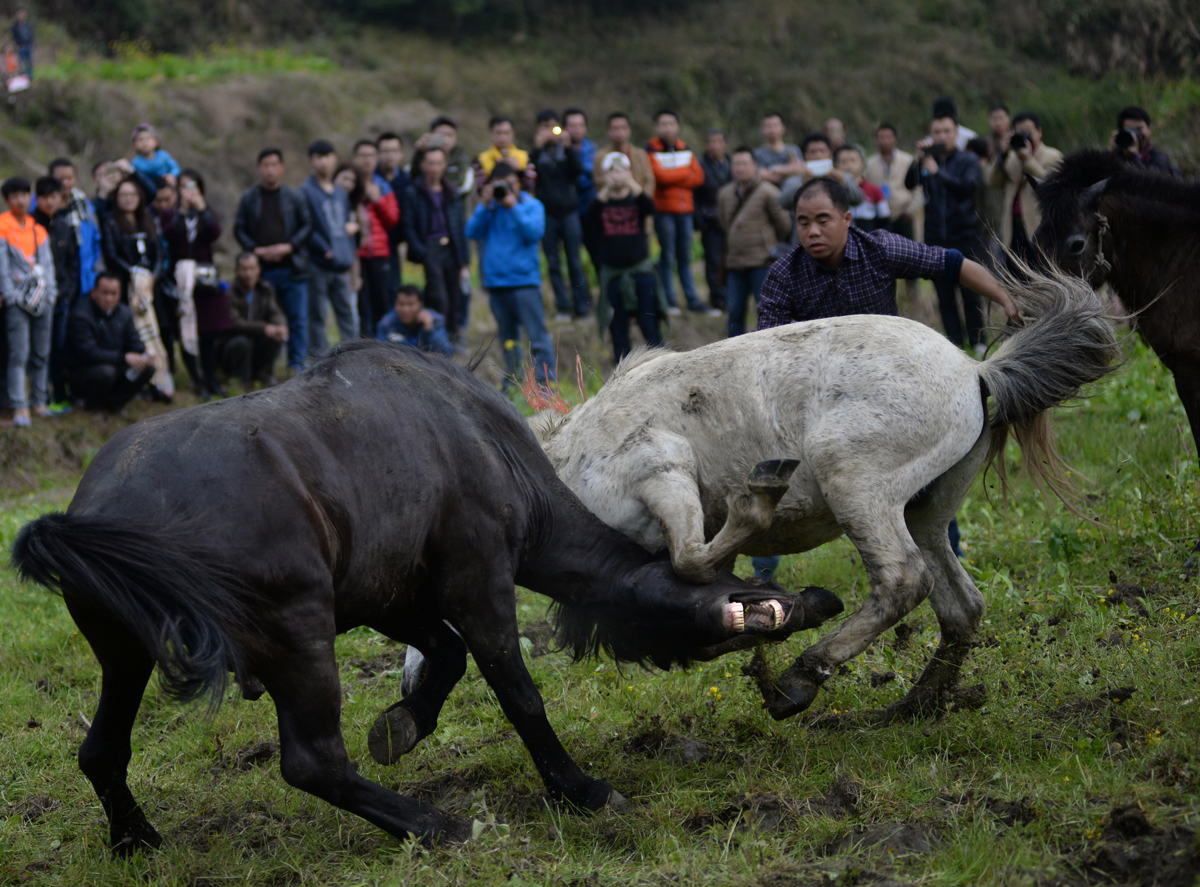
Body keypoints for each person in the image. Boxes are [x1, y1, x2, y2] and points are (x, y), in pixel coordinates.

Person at [755, 177, 1020, 571]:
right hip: (814, 396)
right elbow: (765, 353)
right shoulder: (783, 274)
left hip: (885, 387)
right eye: (803, 222)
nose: (812, 231)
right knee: (769, 470)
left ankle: (951, 552)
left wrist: (1005, 299)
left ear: (847, 218)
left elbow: (951, 263)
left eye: (823, 220)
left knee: (925, 468)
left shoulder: (879, 247)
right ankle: (763, 573)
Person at [465, 162, 556, 389]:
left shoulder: (531, 205)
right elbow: (471, 232)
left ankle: (546, 385)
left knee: (537, 337)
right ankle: (514, 382)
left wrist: (513, 206)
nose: (506, 189)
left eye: (511, 184)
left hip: (525, 281)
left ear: (519, 183)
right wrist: (484, 205)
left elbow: (534, 233)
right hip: (497, 283)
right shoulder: (490, 209)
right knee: (507, 339)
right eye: (500, 184)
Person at [905, 113, 988, 353]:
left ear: (956, 134)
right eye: (937, 132)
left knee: (971, 292)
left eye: (946, 131)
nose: (942, 136)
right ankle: (955, 343)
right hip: (935, 238)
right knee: (944, 295)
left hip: (964, 235)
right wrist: (918, 159)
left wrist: (937, 172)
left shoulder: (968, 160)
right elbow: (910, 183)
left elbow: (968, 188)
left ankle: (978, 341)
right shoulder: (927, 160)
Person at [234, 148, 312, 374]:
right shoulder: (249, 198)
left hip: (293, 268)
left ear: (282, 168)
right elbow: (239, 228)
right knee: (265, 320)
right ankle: (265, 367)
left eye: (274, 165)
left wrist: (290, 246)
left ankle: (297, 365)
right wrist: (255, 250)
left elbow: (307, 226)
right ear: (259, 168)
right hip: (262, 272)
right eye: (265, 165)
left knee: (297, 319)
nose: (270, 169)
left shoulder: (295, 197)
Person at [584, 153, 662, 363]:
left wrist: (630, 182)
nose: (616, 175)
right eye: (611, 171)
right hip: (613, 273)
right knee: (617, 327)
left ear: (629, 172)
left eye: (621, 170)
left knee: (649, 323)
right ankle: (623, 370)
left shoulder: (637, 199)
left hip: (641, 271)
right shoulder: (600, 203)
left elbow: (650, 208)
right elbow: (588, 222)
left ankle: (661, 364)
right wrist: (607, 188)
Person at [164, 168, 227, 398]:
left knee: (208, 332)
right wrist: (181, 211)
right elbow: (171, 236)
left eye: (193, 186)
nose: (188, 191)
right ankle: (196, 379)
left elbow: (214, 233)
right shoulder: (170, 213)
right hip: (179, 278)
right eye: (184, 186)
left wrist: (201, 208)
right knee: (185, 328)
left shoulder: (206, 212)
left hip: (204, 277)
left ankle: (211, 378)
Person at [717, 147, 791, 338]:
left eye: (744, 164)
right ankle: (732, 349)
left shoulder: (769, 192)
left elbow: (783, 224)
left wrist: (769, 244)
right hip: (734, 264)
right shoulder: (725, 194)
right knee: (734, 312)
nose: (740, 168)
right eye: (736, 164)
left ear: (754, 166)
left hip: (762, 262)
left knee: (766, 310)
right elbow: (724, 223)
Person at [1, 176, 57, 426]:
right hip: (17, 302)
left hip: (42, 298)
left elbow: (48, 264)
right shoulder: (2, 226)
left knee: (41, 353)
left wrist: (51, 295)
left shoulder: (38, 229)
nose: (20, 200)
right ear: (7, 200)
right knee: (18, 354)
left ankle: (39, 401)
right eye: (14, 196)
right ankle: (19, 406)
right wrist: (10, 296)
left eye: (24, 194)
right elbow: (2, 266)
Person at [646, 109, 713, 315]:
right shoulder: (651, 150)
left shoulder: (685, 148)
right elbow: (660, 178)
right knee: (667, 255)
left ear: (677, 126)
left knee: (685, 256)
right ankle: (670, 300)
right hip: (664, 211)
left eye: (671, 123)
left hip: (686, 211)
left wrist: (672, 175)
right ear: (657, 127)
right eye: (663, 124)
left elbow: (698, 177)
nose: (668, 128)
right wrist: (684, 173)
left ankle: (692, 299)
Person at [402, 144, 469, 338]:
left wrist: (464, 260)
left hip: (451, 247)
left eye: (439, 163)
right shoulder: (413, 191)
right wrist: (420, 251)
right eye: (430, 163)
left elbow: (459, 226)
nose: (435, 168)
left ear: (445, 164)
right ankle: (438, 335)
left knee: (455, 293)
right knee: (437, 294)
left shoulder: (451, 192)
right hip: (429, 246)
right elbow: (408, 226)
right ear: (423, 165)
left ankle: (454, 333)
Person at [302, 140, 359, 357]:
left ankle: (353, 358)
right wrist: (322, 248)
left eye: (327, 156)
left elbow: (345, 227)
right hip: (318, 264)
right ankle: (319, 360)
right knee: (317, 316)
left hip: (341, 263)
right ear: (311, 161)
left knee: (347, 314)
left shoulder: (341, 193)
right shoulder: (305, 191)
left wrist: (347, 254)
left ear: (335, 158)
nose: (324, 162)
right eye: (318, 157)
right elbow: (305, 226)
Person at [65, 272, 153, 411]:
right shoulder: (81, 315)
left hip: (114, 365)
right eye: (104, 293)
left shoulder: (124, 312)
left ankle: (115, 404)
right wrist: (123, 357)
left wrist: (144, 351)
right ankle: (93, 406)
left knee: (146, 368)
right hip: (84, 371)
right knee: (106, 372)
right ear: (94, 292)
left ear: (120, 294)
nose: (109, 298)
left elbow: (133, 340)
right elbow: (88, 354)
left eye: (114, 293)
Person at [531, 110, 588, 321]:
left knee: (574, 260)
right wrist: (537, 149)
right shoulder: (536, 154)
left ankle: (582, 306)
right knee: (553, 263)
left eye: (553, 126)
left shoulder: (566, 150)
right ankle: (562, 306)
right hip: (546, 214)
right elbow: (528, 177)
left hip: (570, 212)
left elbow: (578, 172)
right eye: (544, 127)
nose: (550, 131)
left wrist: (568, 147)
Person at [987, 111, 1063, 265]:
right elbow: (992, 182)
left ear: (1039, 132)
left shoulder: (1052, 156)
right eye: (1019, 132)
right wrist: (1001, 155)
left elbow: (1053, 185)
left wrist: (1028, 160)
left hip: (1039, 229)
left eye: (1028, 133)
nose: (1024, 137)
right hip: (1013, 231)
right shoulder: (1011, 158)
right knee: (1015, 281)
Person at [32, 175, 78, 409]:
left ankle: (57, 395)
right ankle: (38, 397)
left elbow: (72, 264)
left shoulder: (64, 227)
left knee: (58, 349)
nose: (50, 202)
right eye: (44, 197)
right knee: (36, 350)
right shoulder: (29, 226)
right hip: (36, 300)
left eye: (54, 197)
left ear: (61, 198)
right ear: (37, 198)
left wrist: (67, 292)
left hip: (61, 299)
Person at [349, 138, 401, 339]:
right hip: (356, 255)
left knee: (381, 302)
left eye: (371, 155)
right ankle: (363, 345)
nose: (367, 160)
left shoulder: (383, 186)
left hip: (380, 253)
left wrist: (377, 199)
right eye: (363, 155)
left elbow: (392, 219)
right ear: (355, 158)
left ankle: (382, 346)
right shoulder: (349, 184)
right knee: (362, 305)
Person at [222, 251, 288, 386]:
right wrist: (264, 328)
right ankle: (240, 379)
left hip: (256, 341)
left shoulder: (265, 289)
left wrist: (280, 325)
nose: (249, 274)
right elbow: (236, 323)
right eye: (244, 269)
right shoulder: (229, 292)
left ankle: (264, 375)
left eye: (252, 269)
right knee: (242, 342)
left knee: (275, 337)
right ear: (236, 271)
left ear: (258, 270)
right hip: (231, 342)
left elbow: (275, 312)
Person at [47, 158, 103, 297]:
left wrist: (96, 273)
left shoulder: (85, 206)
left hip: (83, 277)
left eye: (69, 178)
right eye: (61, 178)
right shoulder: (39, 207)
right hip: (54, 276)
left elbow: (96, 241)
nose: (65, 183)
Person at [100, 176, 160, 298]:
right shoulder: (110, 222)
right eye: (123, 195)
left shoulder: (147, 219)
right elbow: (112, 255)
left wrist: (154, 275)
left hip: (151, 280)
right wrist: (134, 273)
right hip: (125, 281)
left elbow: (159, 251)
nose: (129, 198)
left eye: (133, 194)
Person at [695, 128, 730, 311]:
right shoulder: (700, 165)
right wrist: (700, 221)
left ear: (725, 144)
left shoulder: (732, 164)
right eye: (711, 142)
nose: (715, 146)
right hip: (710, 221)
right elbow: (695, 195)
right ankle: (717, 299)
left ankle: (730, 297)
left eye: (719, 141)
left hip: (731, 221)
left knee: (730, 261)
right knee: (713, 262)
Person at [865, 125, 916, 239]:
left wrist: (910, 211)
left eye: (888, 137)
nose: (885, 141)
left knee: (907, 251)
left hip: (903, 215)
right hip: (879, 216)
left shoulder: (907, 160)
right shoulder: (869, 164)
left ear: (895, 139)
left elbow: (918, 188)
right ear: (876, 140)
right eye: (881, 137)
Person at [375, 284, 454, 357]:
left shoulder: (435, 320)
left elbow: (447, 351)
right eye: (401, 304)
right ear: (395, 305)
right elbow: (378, 353)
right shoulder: (387, 323)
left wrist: (430, 329)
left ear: (420, 304)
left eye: (410, 304)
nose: (405, 310)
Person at [377, 131, 410, 299]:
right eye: (385, 151)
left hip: (396, 242)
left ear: (401, 154)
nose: (390, 155)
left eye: (394, 151)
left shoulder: (406, 180)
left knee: (394, 286)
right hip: (376, 243)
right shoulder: (371, 179)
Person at [594, 112, 656, 199]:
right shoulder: (601, 156)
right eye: (615, 128)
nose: (620, 132)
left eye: (624, 128)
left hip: (638, 204)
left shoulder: (640, 154)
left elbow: (649, 181)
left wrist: (643, 201)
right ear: (608, 131)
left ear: (629, 130)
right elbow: (599, 183)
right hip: (611, 206)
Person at [1110, 105, 1180, 175]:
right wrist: (1110, 152)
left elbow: (1151, 182)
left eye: (1139, 129)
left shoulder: (1159, 158)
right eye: (1129, 130)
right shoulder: (1116, 154)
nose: (1135, 134)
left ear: (1149, 128)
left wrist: (1134, 158)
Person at [415, 116, 474, 196]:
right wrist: (419, 154)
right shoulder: (422, 158)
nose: (446, 140)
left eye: (449, 135)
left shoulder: (463, 161)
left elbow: (464, 187)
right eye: (441, 135)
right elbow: (412, 179)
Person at [836, 145, 890, 232]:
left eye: (853, 161)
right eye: (844, 162)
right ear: (837, 165)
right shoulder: (833, 191)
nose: (849, 166)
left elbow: (885, 221)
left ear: (862, 163)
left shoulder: (875, 190)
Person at [475, 116, 531, 187]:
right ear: (491, 134)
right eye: (499, 133)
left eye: (506, 133)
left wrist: (520, 171)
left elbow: (531, 187)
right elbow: (479, 188)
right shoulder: (481, 159)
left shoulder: (525, 157)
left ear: (513, 133)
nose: (503, 138)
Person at [754, 112, 805, 185]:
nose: (772, 129)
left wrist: (775, 169)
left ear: (783, 128)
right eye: (768, 126)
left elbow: (800, 169)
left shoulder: (793, 149)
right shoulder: (757, 154)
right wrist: (789, 170)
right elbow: (761, 175)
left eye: (775, 125)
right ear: (763, 130)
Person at [12, 8, 32, 79]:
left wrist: (31, 42)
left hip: (28, 45)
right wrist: (17, 45)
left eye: (22, 15)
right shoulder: (15, 26)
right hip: (21, 46)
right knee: (22, 63)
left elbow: (31, 34)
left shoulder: (28, 25)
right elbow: (14, 37)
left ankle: (31, 76)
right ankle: (24, 77)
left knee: (29, 62)